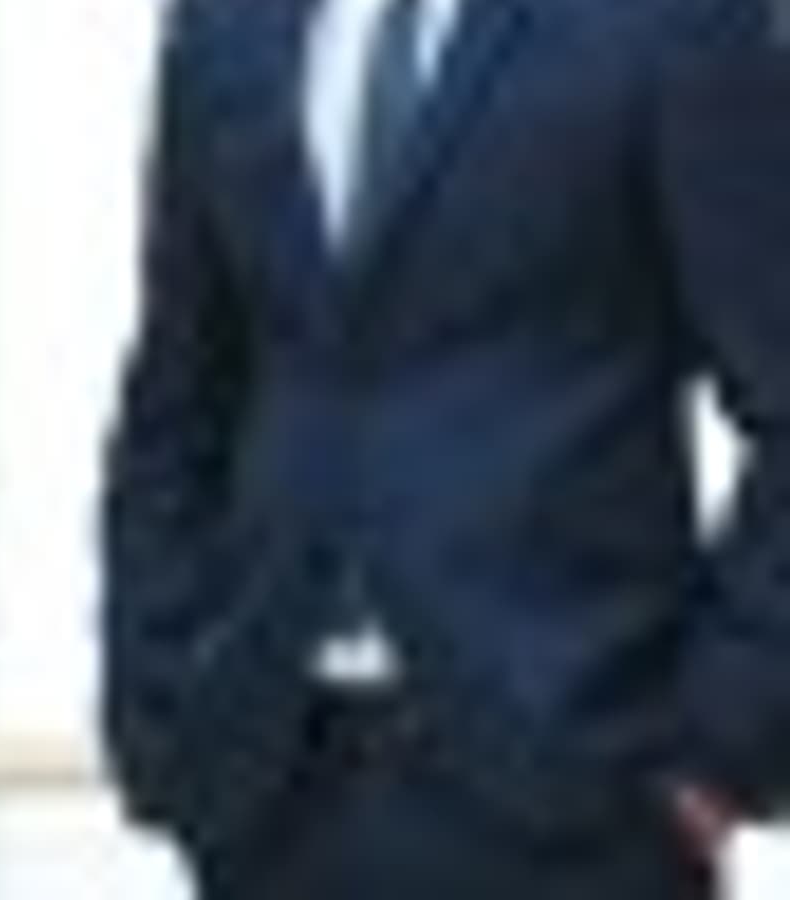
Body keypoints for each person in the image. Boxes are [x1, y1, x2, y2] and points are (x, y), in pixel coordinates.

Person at [102, 0, 790, 896]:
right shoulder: (225, 24)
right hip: (271, 784)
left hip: (575, 782)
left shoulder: (669, 21)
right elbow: (177, 397)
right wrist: (156, 690)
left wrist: (723, 742)